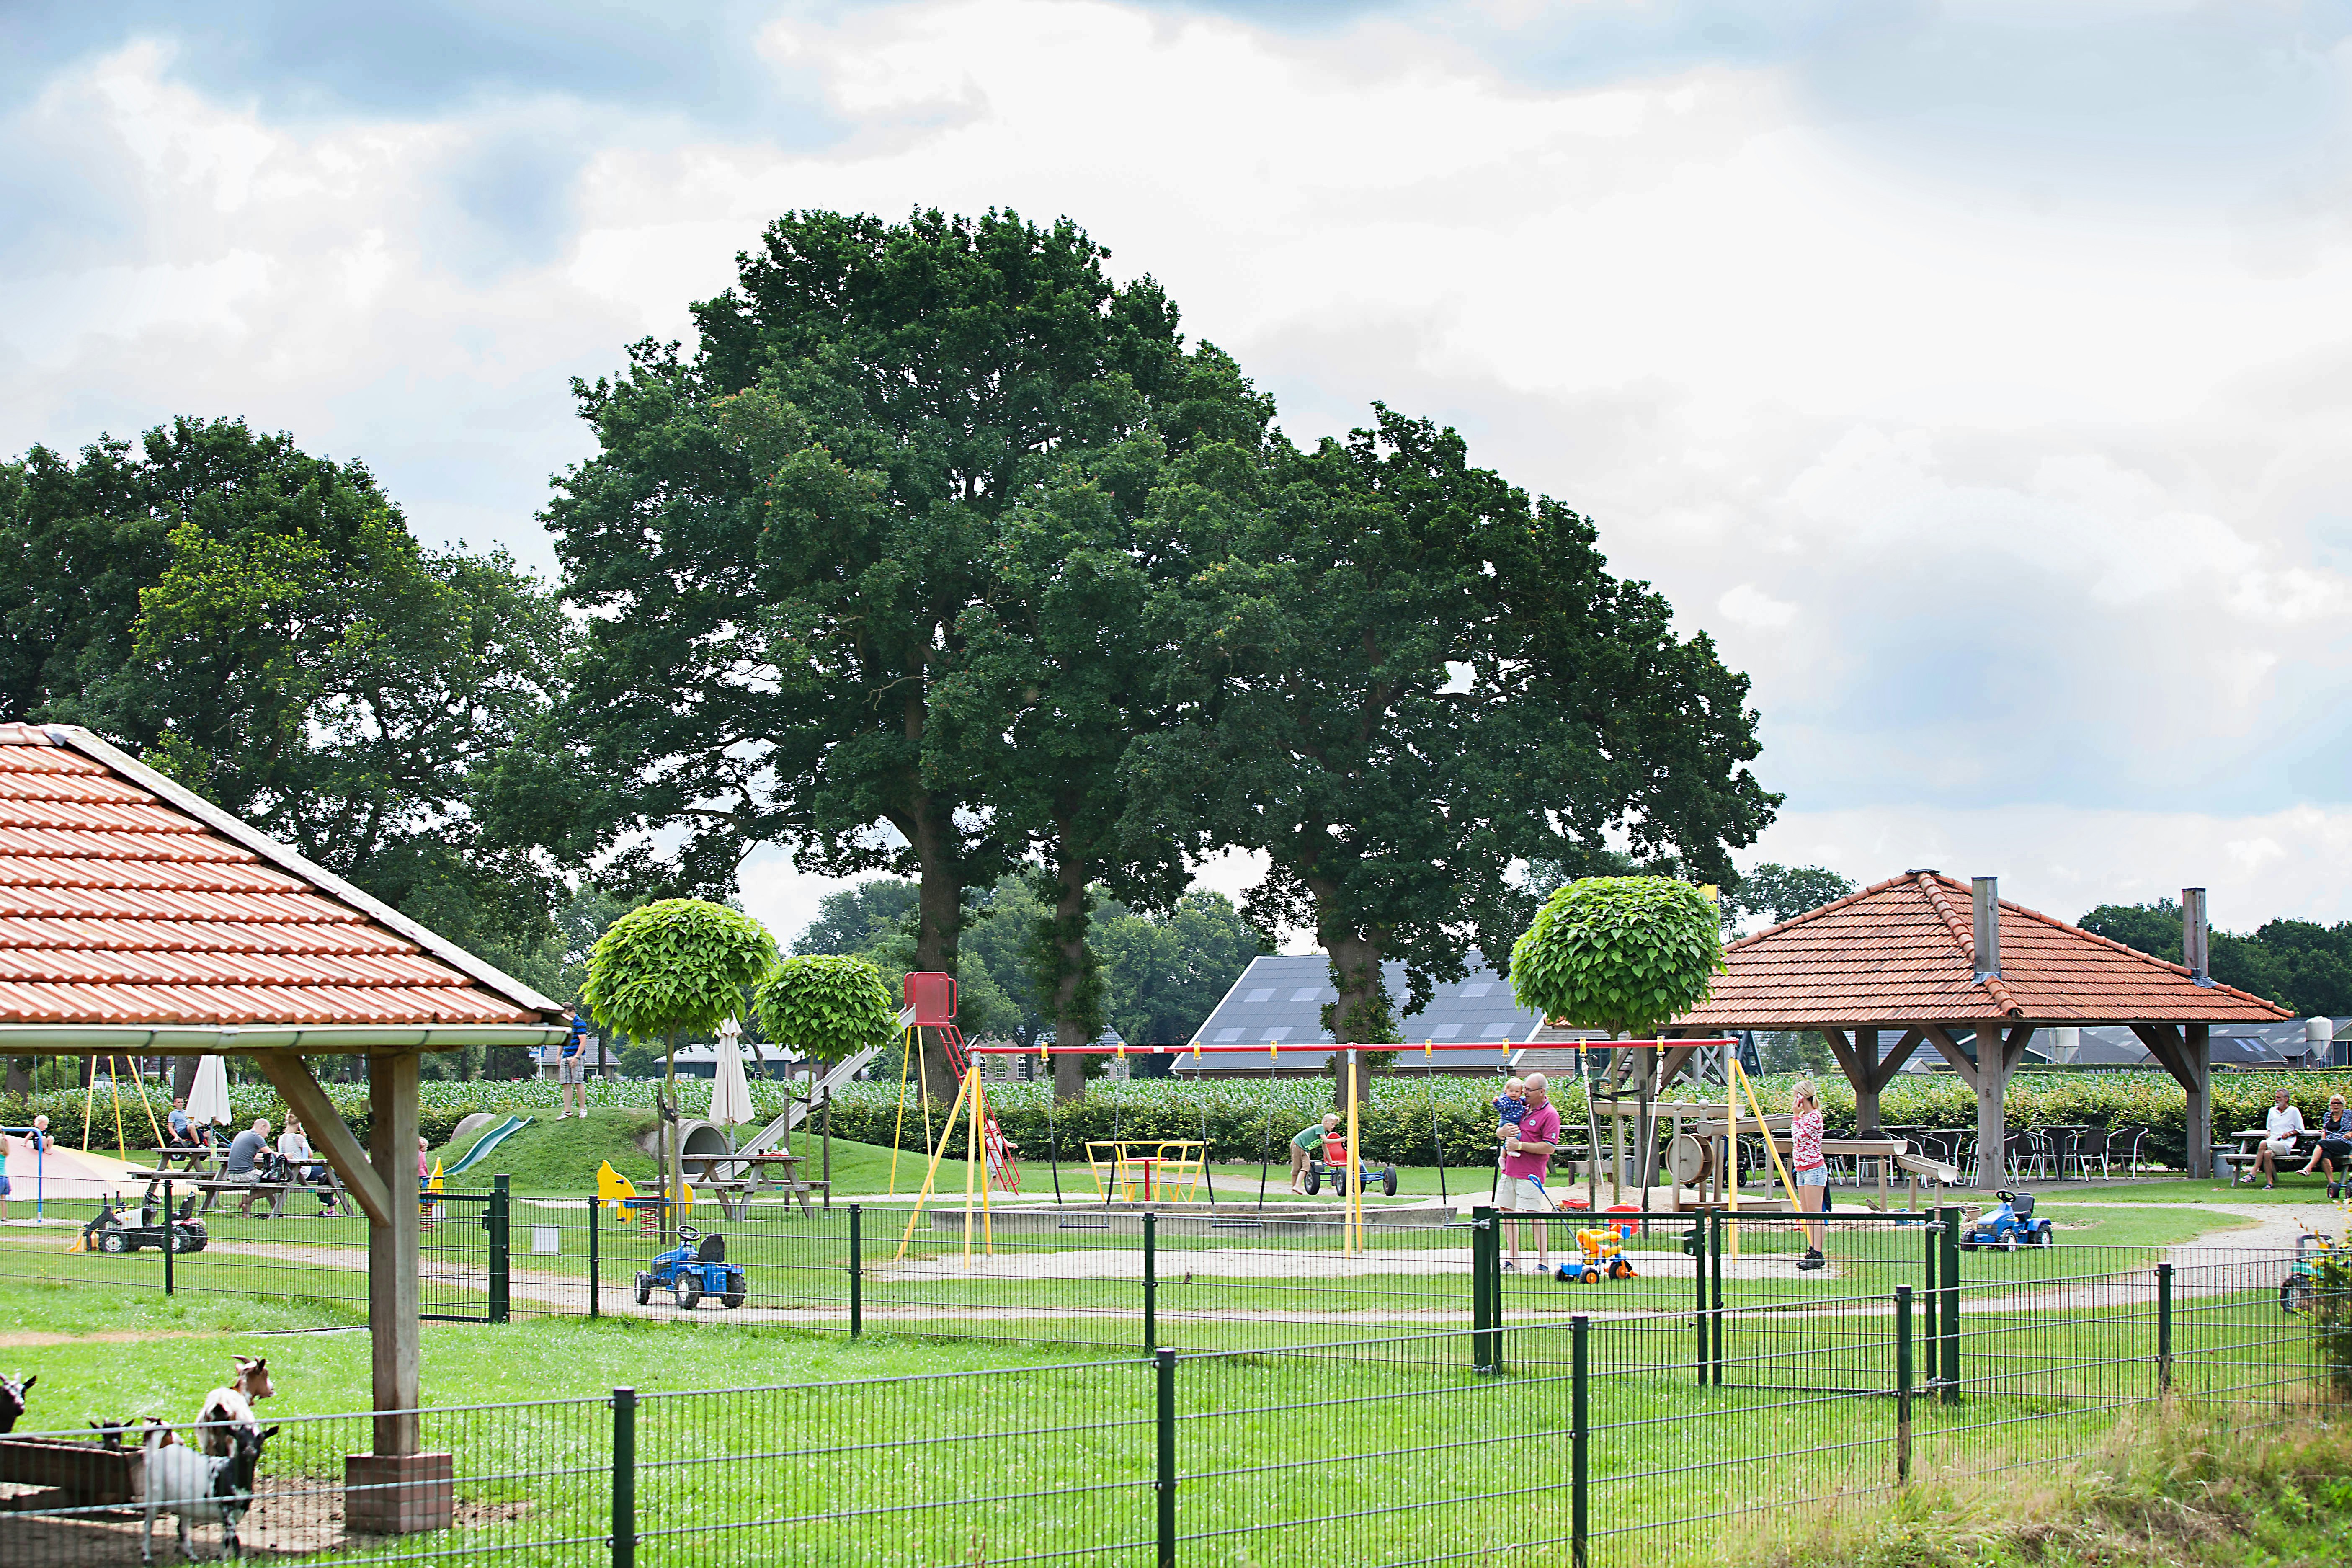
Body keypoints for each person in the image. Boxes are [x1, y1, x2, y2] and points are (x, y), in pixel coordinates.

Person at [1494, 1072, 1560, 1272]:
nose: (1525, 1093)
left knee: (1534, 1214)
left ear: (1542, 1092)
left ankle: (1544, 1262)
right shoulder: (1521, 1107)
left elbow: (1550, 1147)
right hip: (1510, 1171)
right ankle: (1513, 1259)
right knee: (1506, 1211)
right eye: (1524, 1090)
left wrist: (1521, 1146)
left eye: (1529, 1090)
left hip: (1531, 1173)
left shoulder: (1550, 1115)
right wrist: (1501, 1133)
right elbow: (1502, 1130)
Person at [1790, 1080, 1828, 1271]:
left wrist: (1796, 1117)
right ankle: (1813, 1249)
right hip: (1803, 1170)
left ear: (1802, 1097)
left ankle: (1818, 1252)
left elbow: (1798, 1137)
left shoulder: (1814, 1117)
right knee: (1807, 1214)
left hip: (1814, 1170)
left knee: (1815, 1214)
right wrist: (1798, 1117)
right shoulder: (1804, 1117)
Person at [2245, 1087, 2306, 1189]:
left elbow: (2300, 1130)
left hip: (2285, 1144)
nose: (2276, 1100)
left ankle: (2253, 1173)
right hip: (2272, 1141)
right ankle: (2269, 1183)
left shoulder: (2294, 1111)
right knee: (2267, 1154)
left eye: (2279, 1098)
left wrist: (2290, 1133)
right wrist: (2268, 1132)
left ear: (2286, 1099)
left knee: (2263, 1144)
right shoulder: (2272, 1111)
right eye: (2276, 1098)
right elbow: (2269, 1128)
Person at [277, 1118, 334, 1216]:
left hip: (287, 1172)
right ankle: (331, 1207)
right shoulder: (298, 1138)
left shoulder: (281, 1138)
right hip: (302, 1171)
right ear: (299, 1125)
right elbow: (308, 1156)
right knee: (329, 1175)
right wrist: (305, 1139)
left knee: (326, 1176)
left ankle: (330, 1201)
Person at [2300, 1095, 2352, 1199]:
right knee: (2324, 1154)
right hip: (2329, 1143)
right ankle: (2332, 1185)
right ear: (2330, 1105)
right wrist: (2324, 1137)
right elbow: (2325, 1130)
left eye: (2338, 1103)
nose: (2336, 1105)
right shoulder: (2327, 1116)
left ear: (2343, 1105)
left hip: (2344, 1142)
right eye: (2334, 1103)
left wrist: (2351, 1134)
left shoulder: (2349, 1114)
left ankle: (2309, 1168)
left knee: (2322, 1143)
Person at [222, 1117, 273, 1219]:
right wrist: (286, 1156)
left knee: (260, 1179)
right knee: (274, 1183)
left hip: (232, 1175)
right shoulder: (256, 1136)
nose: (267, 1136)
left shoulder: (242, 1134)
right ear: (263, 1127)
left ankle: (247, 1214)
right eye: (267, 1132)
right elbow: (271, 1154)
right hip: (244, 1174)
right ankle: (249, 1200)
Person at [1290, 1114, 1340, 1196]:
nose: (1333, 1127)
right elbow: (1326, 1141)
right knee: (1297, 1168)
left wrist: (1331, 1161)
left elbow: (1325, 1148)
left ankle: (1296, 1187)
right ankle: (1295, 1188)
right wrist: (1340, 1140)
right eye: (1332, 1124)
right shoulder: (1320, 1127)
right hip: (1298, 1145)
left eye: (1334, 1125)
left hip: (1305, 1149)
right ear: (1325, 1122)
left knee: (1306, 1167)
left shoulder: (1323, 1133)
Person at [559, 1013, 590, 1119]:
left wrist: (577, 1057)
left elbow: (583, 1041)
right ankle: (567, 1112)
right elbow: (562, 1040)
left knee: (578, 1082)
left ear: (571, 1011)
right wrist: (559, 1055)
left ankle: (583, 1110)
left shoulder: (580, 1023)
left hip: (576, 1056)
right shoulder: (565, 1023)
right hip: (566, 1056)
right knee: (566, 1084)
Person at [983, 1115, 1021, 1194]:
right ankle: (1000, 1192)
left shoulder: (1000, 1138)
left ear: (996, 1131)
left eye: (993, 1130)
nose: (992, 1133)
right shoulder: (989, 1140)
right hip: (992, 1162)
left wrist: (1013, 1145)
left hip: (998, 1161)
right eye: (990, 1132)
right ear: (988, 1134)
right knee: (997, 1176)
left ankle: (991, 1192)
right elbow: (991, 1148)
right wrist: (994, 1143)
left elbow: (1007, 1143)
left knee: (995, 1178)